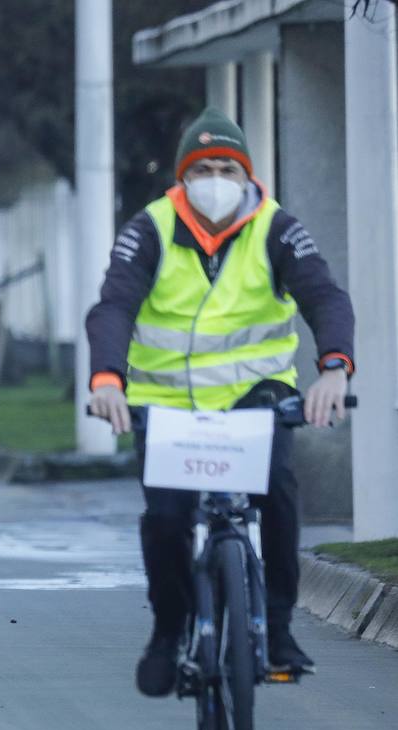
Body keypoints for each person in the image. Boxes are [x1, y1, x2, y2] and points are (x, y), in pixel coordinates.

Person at [85, 107, 355, 697]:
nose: (214, 179)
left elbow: (324, 297)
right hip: (166, 406)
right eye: (202, 168)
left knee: (278, 492)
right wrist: (107, 379)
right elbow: (114, 306)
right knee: (166, 520)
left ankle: (279, 629)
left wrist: (334, 368)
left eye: (227, 169)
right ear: (182, 177)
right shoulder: (150, 227)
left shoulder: (277, 228)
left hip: (256, 397)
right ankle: (168, 630)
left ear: (246, 176)